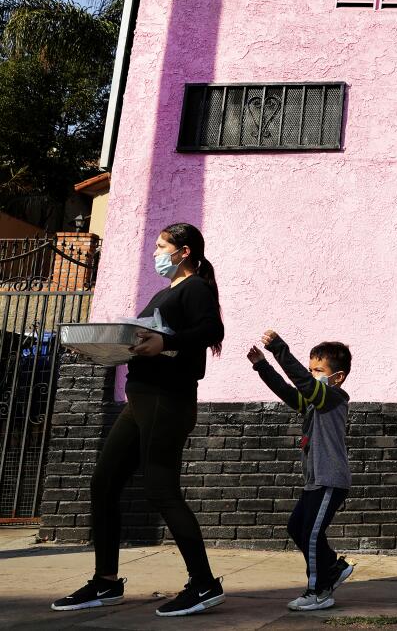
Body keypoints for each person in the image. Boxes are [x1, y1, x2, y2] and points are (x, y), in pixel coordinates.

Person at [52, 223, 226, 617]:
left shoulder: (194, 287)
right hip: (141, 399)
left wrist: (167, 341)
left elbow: (212, 329)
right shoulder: (165, 293)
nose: (155, 253)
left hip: (168, 399)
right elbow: (145, 343)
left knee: (161, 489)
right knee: (104, 481)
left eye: (162, 246)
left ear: (183, 251)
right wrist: (106, 351)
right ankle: (107, 582)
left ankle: (203, 584)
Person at [248, 329, 354, 611]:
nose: (312, 374)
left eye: (319, 370)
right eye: (310, 369)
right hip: (314, 480)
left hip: (330, 478)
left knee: (311, 535)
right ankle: (332, 567)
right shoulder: (312, 401)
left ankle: (318, 591)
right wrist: (262, 366)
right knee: (297, 527)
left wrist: (279, 349)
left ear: (338, 376)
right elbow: (288, 391)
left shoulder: (333, 397)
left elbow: (305, 385)